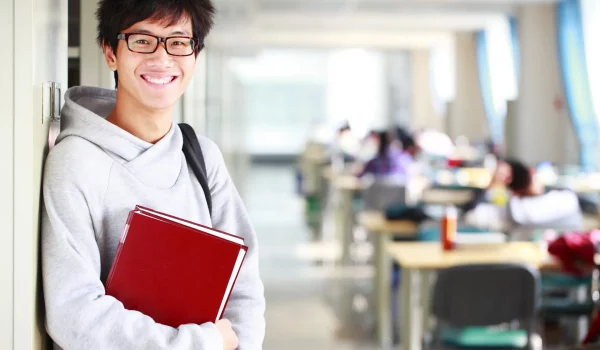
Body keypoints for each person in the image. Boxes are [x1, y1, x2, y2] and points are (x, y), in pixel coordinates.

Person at [41, 0, 265, 349]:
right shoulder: (75, 161)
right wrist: (202, 343)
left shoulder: (202, 157)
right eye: (142, 40)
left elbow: (243, 288)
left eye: (178, 42)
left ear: (195, 56)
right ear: (110, 52)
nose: (162, 59)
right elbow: (74, 313)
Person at [464, 159, 583, 236]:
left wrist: (491, 184)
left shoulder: (516, 210)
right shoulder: (568, 199)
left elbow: (470, 214)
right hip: (566, 269)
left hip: (527, 270)